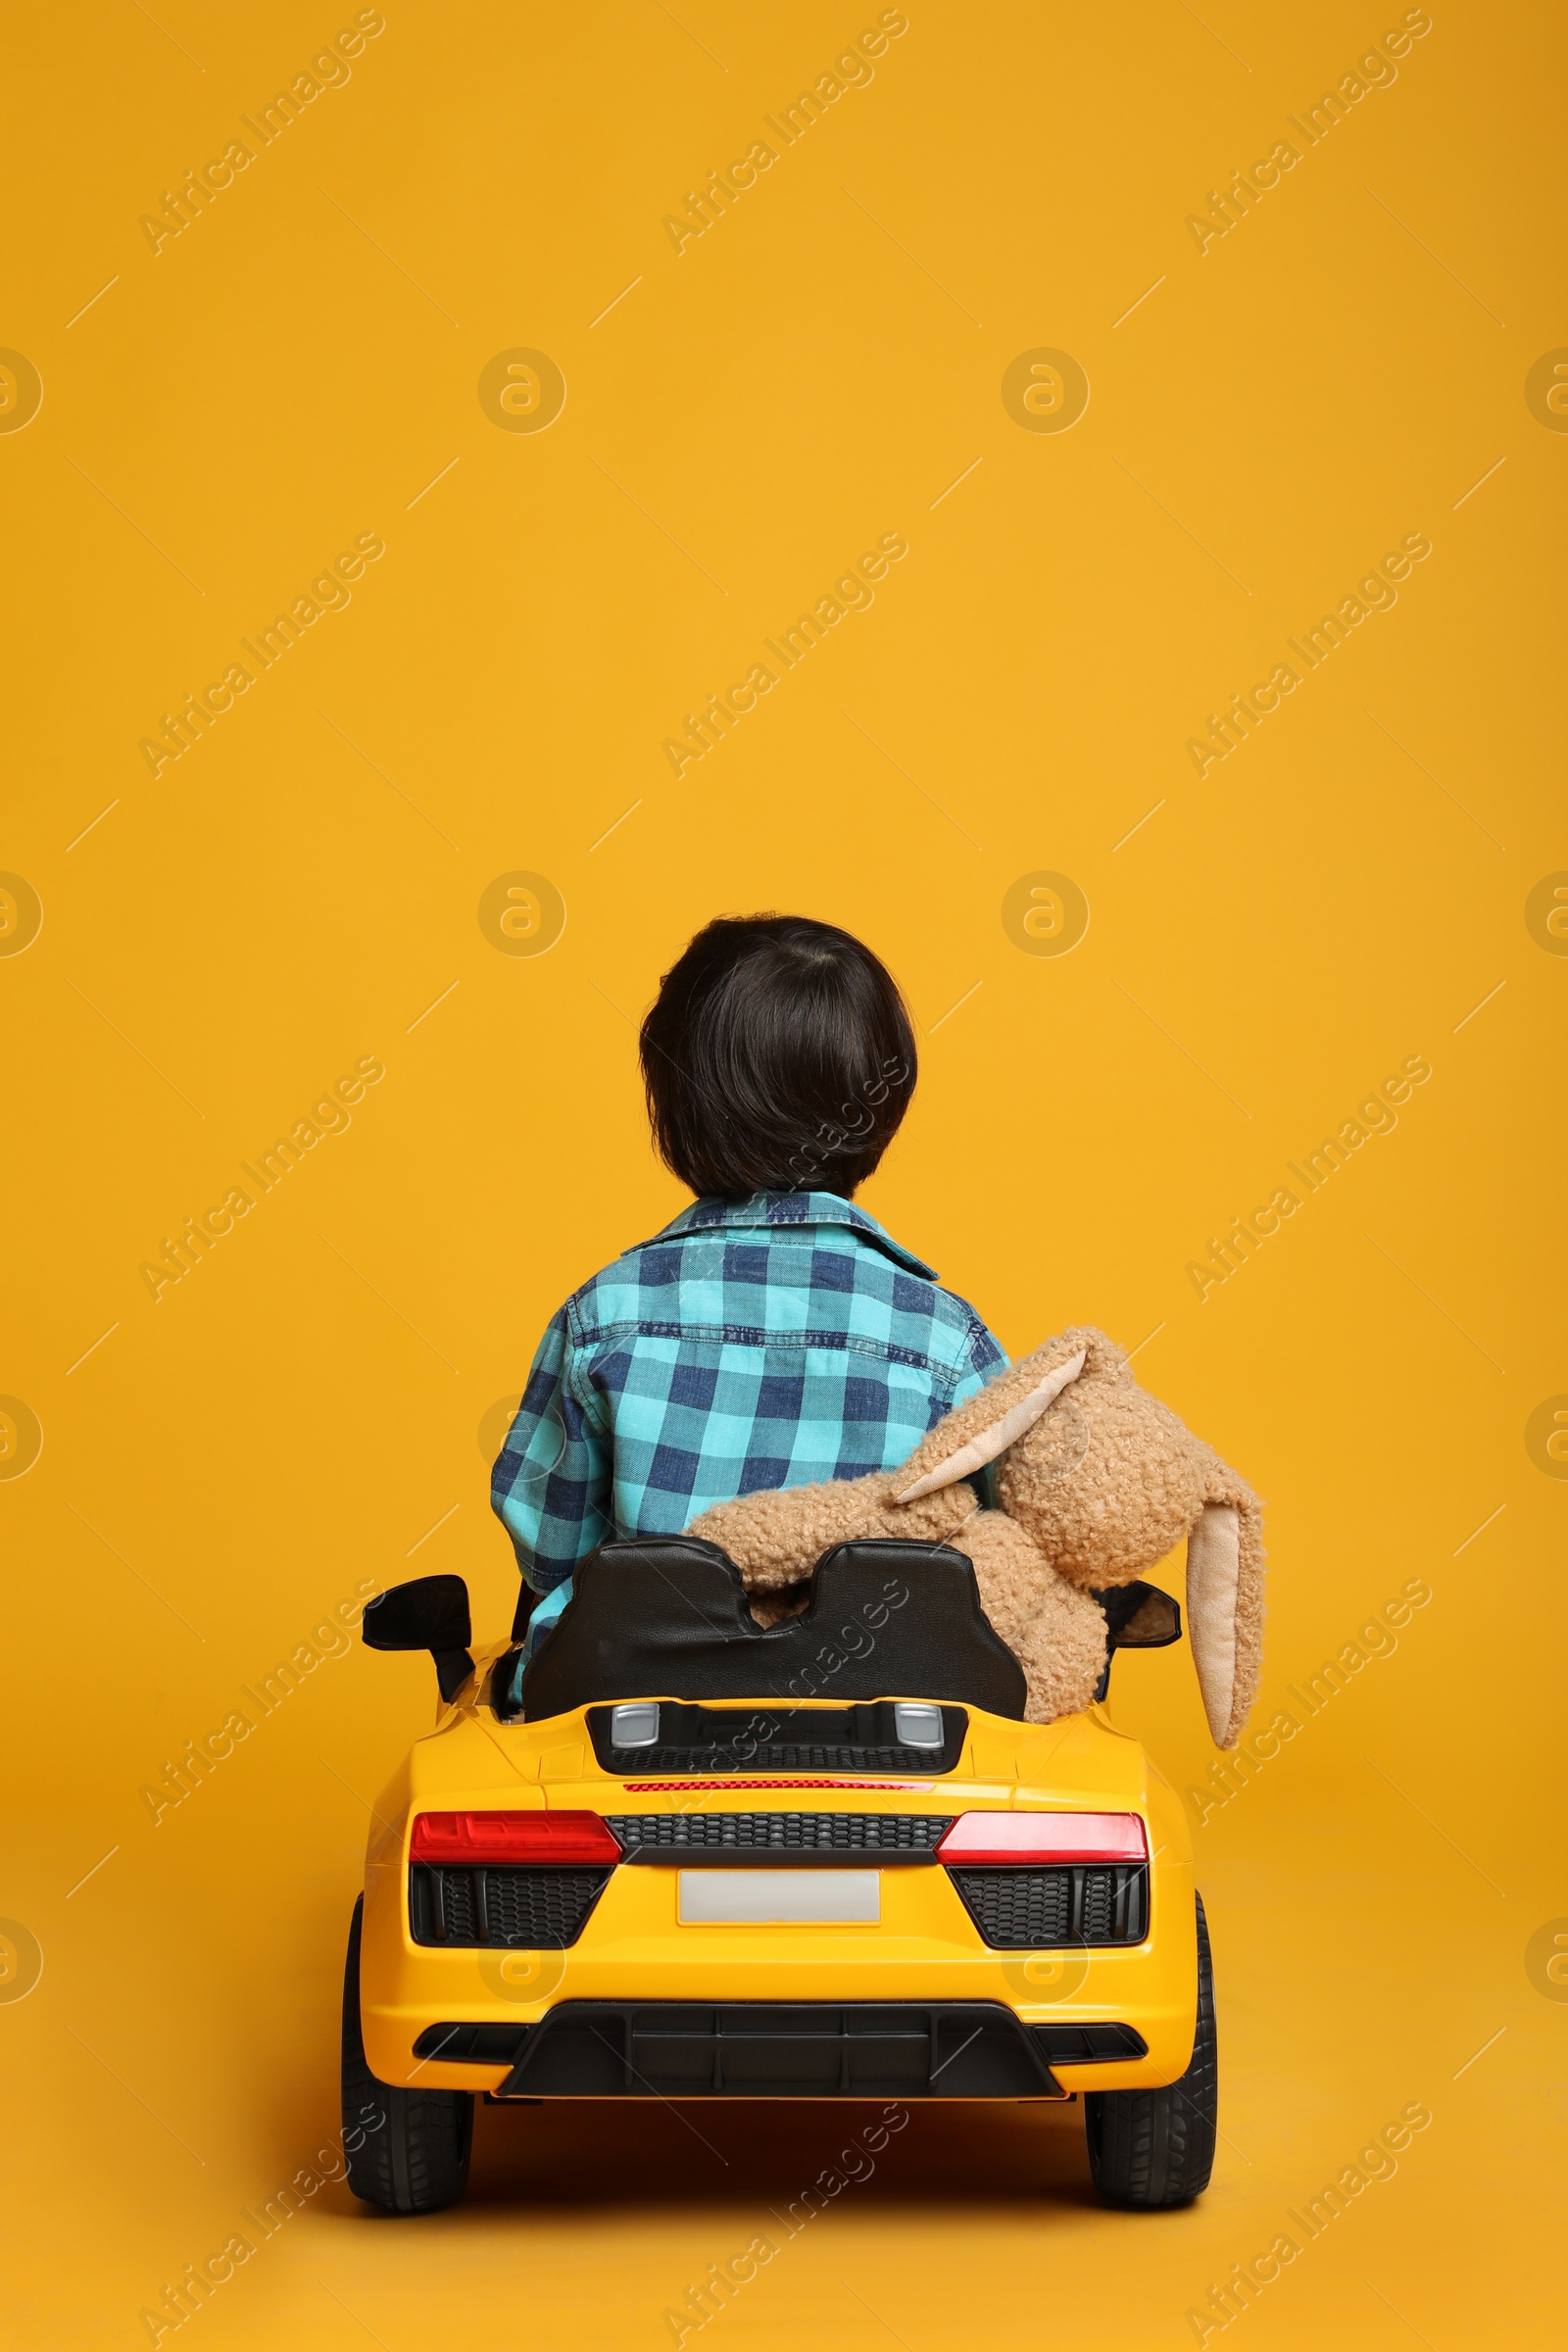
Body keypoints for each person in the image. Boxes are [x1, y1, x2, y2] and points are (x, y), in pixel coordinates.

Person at [490, 913, 1006, 1648]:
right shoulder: (948, 1342)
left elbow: (547, 1548)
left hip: (634, 1731)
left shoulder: (605, 1315)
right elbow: (1004, 1564)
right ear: (884, 1105)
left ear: (676, 1106)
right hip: (885, 1734)